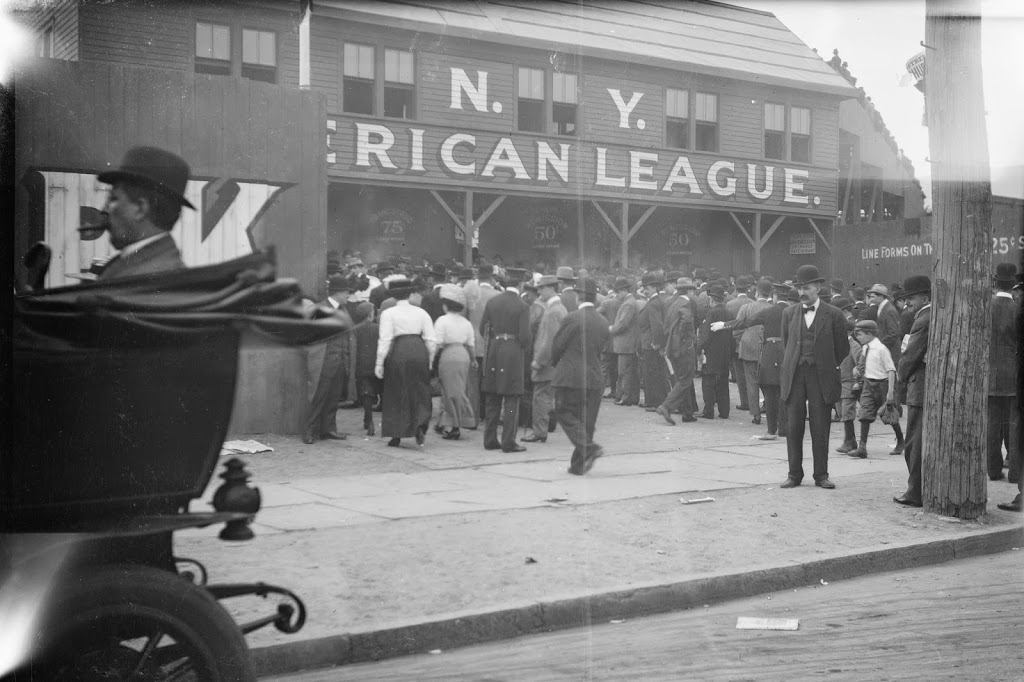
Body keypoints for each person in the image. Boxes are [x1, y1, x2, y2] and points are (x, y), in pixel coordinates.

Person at [779, 265, 848, 490]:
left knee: (820, 427)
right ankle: (794, 475)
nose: (801, 293)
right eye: (799, 288)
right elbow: (786, 343)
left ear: (818, 287)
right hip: (796, 375)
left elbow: (842, 349)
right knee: (794, 427)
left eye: (806, 288)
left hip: (821, 376)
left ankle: (821, 475)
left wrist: (825, 363)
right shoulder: (788, 313)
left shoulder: (834, 314)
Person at [95, 146, 192, 279]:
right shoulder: (151, 266)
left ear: (140, 209)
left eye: (113, 198)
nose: (104, 209)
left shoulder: (152, 278)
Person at [550, 278, 610, 475]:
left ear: (579, 296)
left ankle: (589, 447)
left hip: (571, 376)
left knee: (563, 412)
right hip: (594, 376)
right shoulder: (603, 321)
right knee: (586, 422)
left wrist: (553, 362)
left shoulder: (572, 318)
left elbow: (557, 346)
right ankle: (578, 465)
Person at [375, 276, 438, 447]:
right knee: (420, 389)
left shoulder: (389, 313)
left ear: (394, 296)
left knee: (397, 390)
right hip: (419, 350)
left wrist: (379, 363)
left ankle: (396, 434)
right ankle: (420, 425)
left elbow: (385, 339)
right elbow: (431, 340)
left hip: (399, 351)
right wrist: (430, 360)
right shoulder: (421, 312)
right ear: (410, 294)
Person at [479, 273, 532, 452]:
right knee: (511, 398)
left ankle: (489, 439)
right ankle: (508, 441)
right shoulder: (522, 306)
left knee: (492, 397)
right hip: (513, 351)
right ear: (521, 284)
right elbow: (525, 337)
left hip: (494, 349)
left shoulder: (493, 302)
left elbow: (482, 328)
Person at [303, 274, 357, 444]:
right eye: (346, 292)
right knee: (318, 397)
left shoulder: (344, 310)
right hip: (323, 362)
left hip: (340, 361)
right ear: (338, 293)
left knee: (334, 398)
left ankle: (329, 429)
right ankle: (310, 432)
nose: (348, 296)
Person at [893, 275, 931, 507]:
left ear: (925, 297)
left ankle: (915, 492)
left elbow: (910, 356)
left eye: (912, 298)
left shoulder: (923, 319)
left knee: (914, 443)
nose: (907, 303)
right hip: (928, 385)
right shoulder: (930, 314)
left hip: (920, 386)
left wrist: (900, 377)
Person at [714, 278, 773, 425]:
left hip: (747, 347)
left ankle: (756, 414)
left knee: (751, 382)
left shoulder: (747, 307)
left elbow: (738, 327)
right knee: (768, 382)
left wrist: (740, 340)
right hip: (767, 349)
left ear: (757, 291)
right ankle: (768, 406)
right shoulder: (774, 308)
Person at [524, 275, 568, 443]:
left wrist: (539, 361)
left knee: (540, 398)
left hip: (547, 364)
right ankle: (541, 429)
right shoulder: (559, 308)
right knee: (545, 397)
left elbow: (549, 341)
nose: (539, 291)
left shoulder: (553, 311)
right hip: (554, 363)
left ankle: (539, 431)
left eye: (541, 288)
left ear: (550, 288)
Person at [846, 320, 897, 459]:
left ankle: (900, 440)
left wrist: (890, 392)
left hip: (882, 384)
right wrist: (857, 369)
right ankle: (862, 447)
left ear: (870, 334)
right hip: (869, 384)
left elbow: (891, 370)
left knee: (888, 415)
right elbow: (864, 364)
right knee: (864, 415)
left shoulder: (881, 349)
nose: (859, 337)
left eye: (860, 334)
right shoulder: (865, 348)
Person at [865, 283, 906, 454]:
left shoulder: (888, 310)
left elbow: (893, 333)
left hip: (889, 357)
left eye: (874, 295)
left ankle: (901, 440)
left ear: (881, 296)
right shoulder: (884, 308)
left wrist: (878, 345)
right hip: (886, 355)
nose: (871, 297)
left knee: (888, 403)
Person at [988, 263, 1019, 482]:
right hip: (1015, 375)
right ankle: (1016, 472)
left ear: (995, 282)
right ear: (1013, 285)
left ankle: (993, 470)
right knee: (1015, 427)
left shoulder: (985, 307)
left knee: (992, 425)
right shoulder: (1019, 308)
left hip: (990, 375)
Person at [433, 284, 476, 440]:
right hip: (463, 355)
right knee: (457, 389)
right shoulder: (466, 323)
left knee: (449, 391)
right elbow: (471, 344)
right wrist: (472, 359)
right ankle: (444, 422)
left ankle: (455, 426)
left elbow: (437, 343)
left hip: (448, 355)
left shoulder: (442, 321)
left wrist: (431, 359)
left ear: (446, 305)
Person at [656, 277, 700, 425]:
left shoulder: (673, 303)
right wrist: (690, 338)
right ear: (688, 290)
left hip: (672, 347)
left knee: (682, 379)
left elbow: (666, 326)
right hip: (683, 348)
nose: (693, 293)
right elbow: (687, 322)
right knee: (685, 380)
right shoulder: (686, 303)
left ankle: (687, 413)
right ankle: (666, 406)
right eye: (692, 290)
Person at [832, 297, 863, 454]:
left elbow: (861, 363)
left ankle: (850, 442)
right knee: (845, 413)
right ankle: (850, 441)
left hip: (850, 383)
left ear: (849, 331)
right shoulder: (846, 344)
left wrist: (857, 378)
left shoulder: (854, 345)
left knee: (847, 413)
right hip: (843, 382)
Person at [697, 284, 733, 419]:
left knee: (708, 381)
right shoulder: (728, 312)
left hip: (712, 353)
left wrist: (698, 349)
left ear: (712, 299)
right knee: (723, 382)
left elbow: (705, 335)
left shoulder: (711, 313)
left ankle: (708, 411)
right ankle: (724, 411)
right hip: (725, 352)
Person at [638, 271, 670, 411]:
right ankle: (656, 400)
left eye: (648, 287)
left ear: (655, 287)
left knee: (651, 373)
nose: (645, 290)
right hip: (652, 341)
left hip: (650, 343)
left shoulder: (653, 303)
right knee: (655, 372)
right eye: (644, 287)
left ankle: (653, 402)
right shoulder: (656, 301)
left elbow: (657, 324)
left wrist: (656, 342)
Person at [608, 277, 641, 405]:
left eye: (617, 292)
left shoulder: (628, 303)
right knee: (630, 372)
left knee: (624, 372)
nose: (616, 295)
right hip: (629, 343)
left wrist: (611, 329)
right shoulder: (630, 301)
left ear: (622, 290)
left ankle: (625, 397)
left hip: (625, 343)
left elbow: (622, 324)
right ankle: (631, 397)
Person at [352, 302, 380, 436]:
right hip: (376, 364)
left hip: (362, 365)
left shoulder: (355, 329)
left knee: (366, 393)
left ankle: (369, 421)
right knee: (378, 392)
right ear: (370, 314)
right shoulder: (378, 328)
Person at [725, 276, 754, 409]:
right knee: (750, 373)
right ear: (748, 288)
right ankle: (752, 401)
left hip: (734, 342)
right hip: (750, 342)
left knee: (740, 374)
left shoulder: (730, 304)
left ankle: (744, 402)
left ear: (736, 288)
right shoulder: (752, 303)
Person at [597, 282, 623, 398]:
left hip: (607, 340)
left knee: (604, 367)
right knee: (616, 370)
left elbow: (596, 314)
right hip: (620, 341)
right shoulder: (625, 303)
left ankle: (599, 392)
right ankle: (615, 391)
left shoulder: (606, 303)